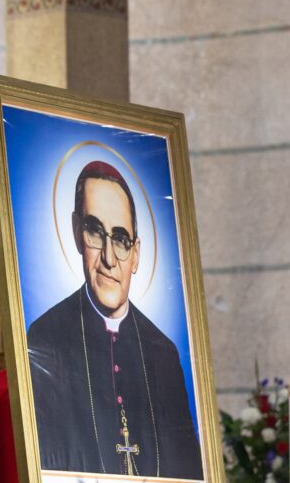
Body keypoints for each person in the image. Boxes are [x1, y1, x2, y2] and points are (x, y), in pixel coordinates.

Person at [26, 160, 203, 479]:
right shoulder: (44, 340)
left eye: (121, 239)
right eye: (95, 232)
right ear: (76, 232)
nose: (109, 258)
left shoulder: (163, 352)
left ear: (136, 254)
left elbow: (187, 468)